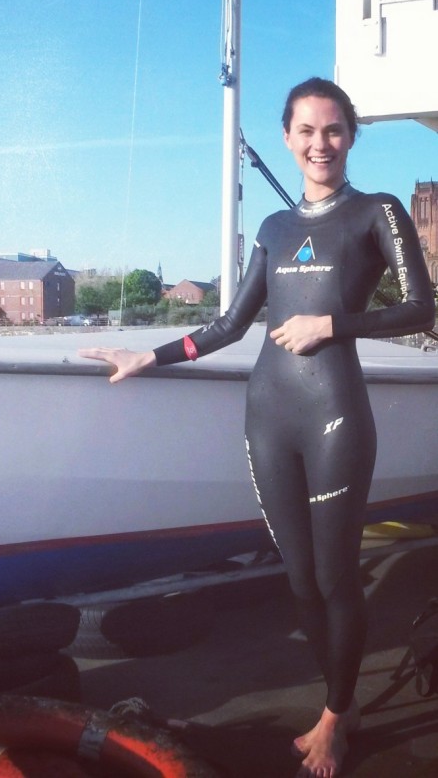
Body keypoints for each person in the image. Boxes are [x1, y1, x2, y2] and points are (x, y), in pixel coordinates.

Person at [79, 76, 436, 778]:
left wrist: (332, 323)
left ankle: (336, 714)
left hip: (335, 414)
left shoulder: (377, 212)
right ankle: (340, 700)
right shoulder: (275, 230)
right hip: (268, 416)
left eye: (333, 129)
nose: (320, 143)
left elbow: (421, 310)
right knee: (299, 580)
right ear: (287, 137)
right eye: (306, 130)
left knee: (336, 575)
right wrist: (144, 356)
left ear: (351, 135)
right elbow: (230, 324)